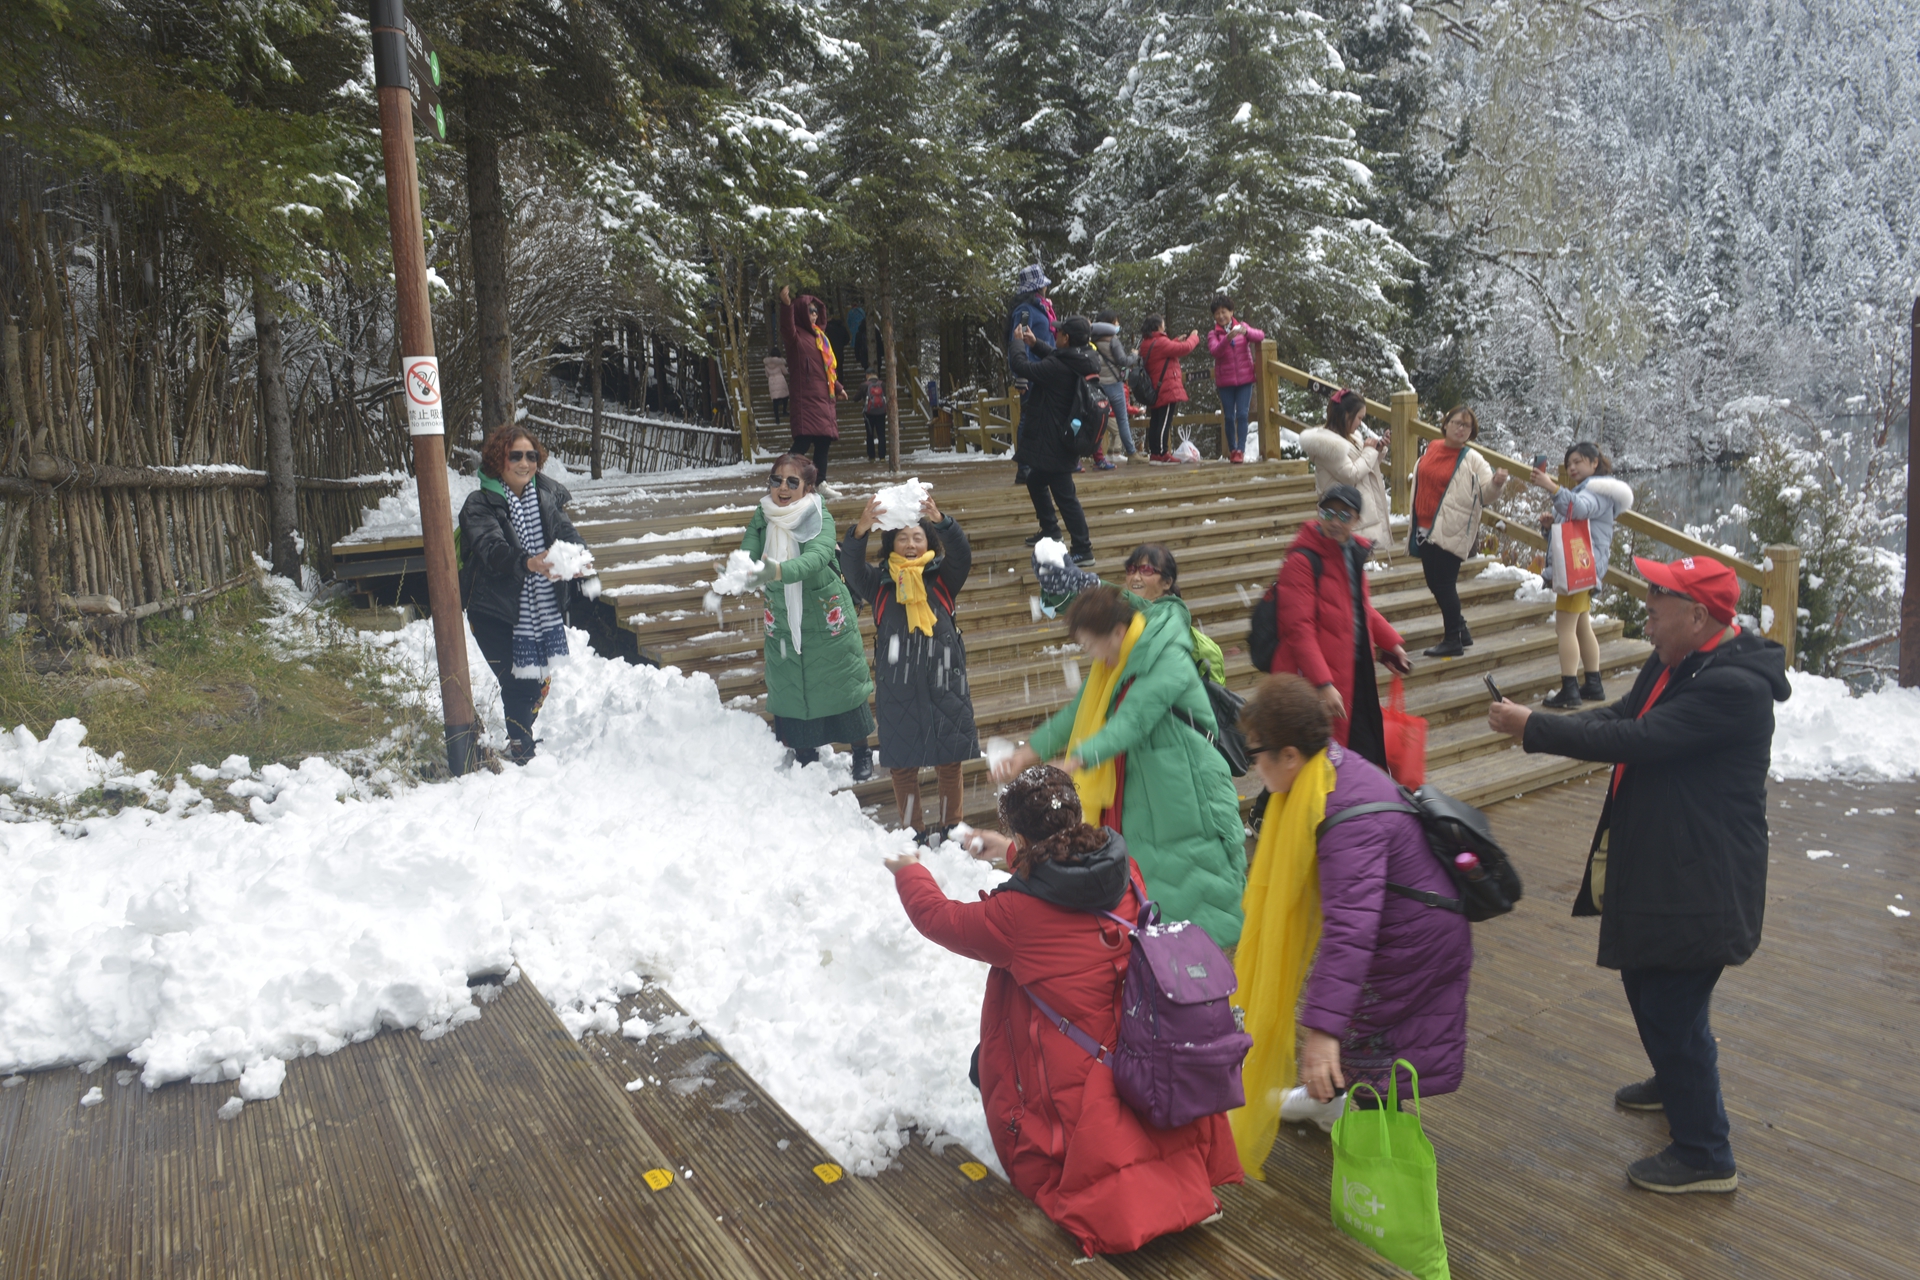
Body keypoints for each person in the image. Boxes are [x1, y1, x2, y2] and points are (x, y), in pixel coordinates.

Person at [1488, 554, 1789, 1194]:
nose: (1646, 610)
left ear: (1699, 615)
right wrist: (1544, 726)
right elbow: (1626, 713)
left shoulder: (1734, 687)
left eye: (1660, 601)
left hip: (1706, 875)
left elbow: (1641, 740)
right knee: (1648, 977)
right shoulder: (1679, 657)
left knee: (1671, 1003)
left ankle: (1707, 1154)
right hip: (1669, 863)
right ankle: (1675, 1078)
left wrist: (1536, 729)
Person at [885, 765, 1243, 1254]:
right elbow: (1069, 875)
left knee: (998, 1071)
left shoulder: (1015, 917)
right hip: (1140, 1040)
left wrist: (909, 870)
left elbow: (940, 918)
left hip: (1075, 1066)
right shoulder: (1123, 868)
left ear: (1022, 832)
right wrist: (1011, 852)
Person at [1230, 673, 1473, 1172]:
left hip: (1415, 937)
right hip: (1407, 919)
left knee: (1372, 1049)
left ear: (1290, 756)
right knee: (1360, 1035)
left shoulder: (1345, 816)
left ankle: (1383, 1170)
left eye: (1257, 756)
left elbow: (1350, 929)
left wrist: (1321, 1031)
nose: (1255, 769)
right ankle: (1328, 1102)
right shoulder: (1325, 775)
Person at [992, 586, 1247, 947]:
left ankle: (1208, 975)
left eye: (1091, 644)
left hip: (1188, 793)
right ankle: (1171, 963)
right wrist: (1028, 753)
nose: (1091, 654)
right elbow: (1074, 714)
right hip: (1142, 792)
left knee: (1196, 883)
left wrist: (1077, 759)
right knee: (1157, 885)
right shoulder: (1113, 663)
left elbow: (1133, 719)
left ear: (1117, 632)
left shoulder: (1166, 654)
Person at [839, 491, 978, 843]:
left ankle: (952, 825)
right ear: (891, 545)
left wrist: (942, 522)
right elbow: (851, 569)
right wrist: (861, 530)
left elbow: (961, 554)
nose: (911, 544)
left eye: (918, 536)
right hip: (898, 686)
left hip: (944, 680)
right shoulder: (881, 583)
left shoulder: (943, 578)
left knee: (950, 762)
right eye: (902, 538)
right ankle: (913, 831)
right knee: (903, 766)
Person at [740, 453, 874, 780]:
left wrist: (777, 570)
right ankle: (804, 751)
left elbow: (817, 557)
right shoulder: (763, 514)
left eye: (792, 482)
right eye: (776, 480)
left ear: (808, 487)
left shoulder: (818, 516)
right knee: (791, 682)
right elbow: (749, 553)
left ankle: (861, 751)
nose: (782, 488)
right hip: (783, 615)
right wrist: (739, 570)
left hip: (823, 611)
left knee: (841, 681)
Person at [1261, 484, 1412, 771]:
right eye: (1328, 513)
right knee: (1316, 762)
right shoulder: (1302, 560)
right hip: (1316, 680)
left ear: (1356, 520)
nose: (1334, 522)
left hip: (1354, 677)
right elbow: (1299, 629)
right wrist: (1323, 684)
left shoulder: (1350, 553)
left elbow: (1360, 608)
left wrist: (1391, 644)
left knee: (1357, 760)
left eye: (1344, 515)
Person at [458, 427, 585, 764]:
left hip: (539, 608)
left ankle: (521, 735)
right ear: (499, 459)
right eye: (515, 455)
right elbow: (492, 549)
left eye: (531, 455)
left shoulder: (543, 498)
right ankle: (522, 750)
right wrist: (527, 562)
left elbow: (567, 533)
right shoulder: (479, 504)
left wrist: (576, 559)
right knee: (520, 681)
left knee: (539, 683)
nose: (524, 462)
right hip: (493, 610)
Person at [1532, 442, 1635, 707]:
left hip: (1577, 568)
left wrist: (1552, 487)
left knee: (1564, 628)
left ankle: (1570, 690)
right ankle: (1593, 684)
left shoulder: (1596, 490)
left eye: (1578, 461)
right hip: (1584, 566)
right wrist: (1550, 526)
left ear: (1594, 462)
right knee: (1581, 626)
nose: (1572, 467)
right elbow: (1574, 525)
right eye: (1569, 464)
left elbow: (1578, 508)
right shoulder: (1594, 491)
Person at [1410, 405, 1509, 658]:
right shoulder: (1432, 447)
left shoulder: (1473, 458)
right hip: (1426, 525)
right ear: (1445, 424)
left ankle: (1453, 638)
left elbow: (1486, 494)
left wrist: (1497, 484)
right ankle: (1461, 630)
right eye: (1457, 422)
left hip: (1452, 527)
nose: (1461, 428)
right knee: (1435, 582)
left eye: (1467, 426)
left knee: (1443, 584)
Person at [1008, 314, 1099, 567]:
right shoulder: (1081, 358)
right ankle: (1050, 531)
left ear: (1066, 338)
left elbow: (1023, 367)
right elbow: (1057, 357)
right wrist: (1035, 343)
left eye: (1058, 333)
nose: (1055, 334)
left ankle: (1083, 548)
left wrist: (1017, 344)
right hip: (1061, 437)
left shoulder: (1059, 368)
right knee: (1035, 480)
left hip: (1055, 442)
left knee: (1065, 496)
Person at [1299, 388, 1391, 558]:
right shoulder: (1328, 444)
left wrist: (1377, 451)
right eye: (1359, 418)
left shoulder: (1352, 437)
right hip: (1341, 517)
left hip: (1355, 513)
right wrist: (1369, 452)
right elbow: (1351, 475)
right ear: (1347, 415)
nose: (1360, 424)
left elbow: (1363, 470)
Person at [776, 285, 847, 483]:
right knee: (803, 442)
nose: (814, 315)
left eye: (816, 311)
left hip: (823, 399)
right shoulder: (796, 337)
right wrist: (786, 305)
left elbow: (825, 369)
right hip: (807, 399)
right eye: (810, 311)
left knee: (824, 442)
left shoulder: (820, 338)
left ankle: (820, 482)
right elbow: (786, 328)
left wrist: (838, 388)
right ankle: (782, 477)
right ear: (801, 312)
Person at [1205, 294, 1265, 464]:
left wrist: (1246, 332)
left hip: (1245, 380)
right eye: (1217, 313)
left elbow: (1260, 336)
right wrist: (1227, 338)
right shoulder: (1213, 334)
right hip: (1225, 382)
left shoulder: (1242, 326)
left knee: (1243, 415)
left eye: (1224, 312)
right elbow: (1215, 351)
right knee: (1229, 417)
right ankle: (1233, 450)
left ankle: (1241, 450)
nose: (1221, 316)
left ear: (1231, 312)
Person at [1136, 315, 1201, 462]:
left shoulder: (1147, 342)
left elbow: (1164, 351)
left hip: (1155, 388)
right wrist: (1193, 338)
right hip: (1167, 387)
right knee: (1164, 421)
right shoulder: (1160, 342)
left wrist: (1176, 341)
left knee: (1156, 421)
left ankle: (1155, 452)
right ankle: (1162, 453)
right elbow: (1185, 348)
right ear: (1158, 326)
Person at [1091, 311, 1140, 461]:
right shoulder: (1113, 340)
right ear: (1110, 323)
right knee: (1122, 420)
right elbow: (1122, 360)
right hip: (1114, 384)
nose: (1118, 325)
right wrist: (1134, 355)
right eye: (1116, 322)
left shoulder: (1091, 340)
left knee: (1098, 421)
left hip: (1097, 385)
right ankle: (1132, 453)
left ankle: (1097, 456)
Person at [862, 373, 888, 463]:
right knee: (881, 435)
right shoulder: (882, 384)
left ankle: (872, 456)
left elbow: (855, 398)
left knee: (870, 435)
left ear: (867, 375)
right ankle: (882, 456)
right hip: (881, 413)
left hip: (869, 413)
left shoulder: (865, 385)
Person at [763, 352, 789, 429]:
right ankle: (784, 411)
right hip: (780, 379)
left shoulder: (766, 364)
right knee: (785, 397)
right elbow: (785, 372)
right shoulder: (779, 363)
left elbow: (766, 375)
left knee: (775, 400)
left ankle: (777, 418)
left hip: (772, 381)